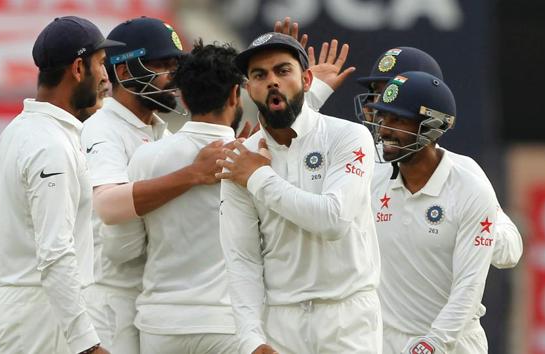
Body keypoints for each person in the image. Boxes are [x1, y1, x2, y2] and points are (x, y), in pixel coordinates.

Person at [217, 32, 382, 354]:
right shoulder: (241, 159)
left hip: (348, 318)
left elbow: (333, 220)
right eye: (259, 75)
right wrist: (251, 339)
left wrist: (259, 177)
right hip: (281, 323)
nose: (272, 82)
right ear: (248, 88)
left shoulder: (347, 137)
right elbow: (242, 258)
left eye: (283, 71)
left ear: (306, 79)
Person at [0, 16, 123, 354]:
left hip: (20, 314)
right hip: (44, 318)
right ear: (78, 68)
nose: (105, 77)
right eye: (100, 64)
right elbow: (55, 253)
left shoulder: (17, 131)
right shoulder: (50, 146)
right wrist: (88, 343)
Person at [79, 17, 226, 353]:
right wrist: (193, 174)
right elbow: (109, 206)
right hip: (108, 302)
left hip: (148, 301)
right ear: (126, 72)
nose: (174, 78)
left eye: (177, 65)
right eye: (162, 65)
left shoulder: (160, 130)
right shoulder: (102, 129)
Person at [353, 47, 522, 269]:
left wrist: (462, 223)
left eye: (390, 93)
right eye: (377, 93)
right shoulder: (357, 158)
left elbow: (509, 251)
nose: (376, 104)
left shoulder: (462, 173)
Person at [366, 71, 498, 354]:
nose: (385, 130)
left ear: (432, 127)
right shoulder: (371, 176)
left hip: (453, 344)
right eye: (383, 118)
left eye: (398, 120)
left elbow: (469, 286)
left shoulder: (470, 189)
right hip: (385, 342)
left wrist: (433, 343)